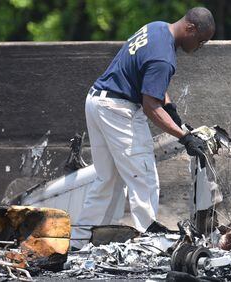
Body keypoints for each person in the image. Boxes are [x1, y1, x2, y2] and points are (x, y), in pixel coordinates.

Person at [71, 7, 215, 249]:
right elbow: (150, 106)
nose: (199, 47)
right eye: (200, 41)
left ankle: (80, 242)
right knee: (144, 174)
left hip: (96, 100)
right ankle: (146, 238)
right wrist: (185, 137)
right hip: (118, 108)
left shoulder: (156, 27)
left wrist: (173, 112)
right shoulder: (164, 58)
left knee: (107, 179)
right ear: (190, 28)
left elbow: (151, 81)